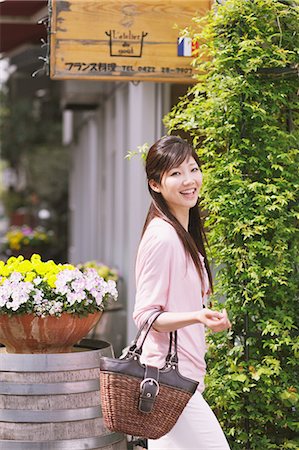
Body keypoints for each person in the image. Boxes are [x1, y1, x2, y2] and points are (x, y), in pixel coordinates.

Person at [133, 135, 231, 450]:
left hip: (179, 378)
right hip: (167, 380)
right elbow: (146, 316)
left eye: (192, 169)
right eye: (175, 173)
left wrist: (202, 314)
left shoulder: (181, 233)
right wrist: (197, 316)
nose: (189, 180)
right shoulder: (163, 237)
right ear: (156, 185)